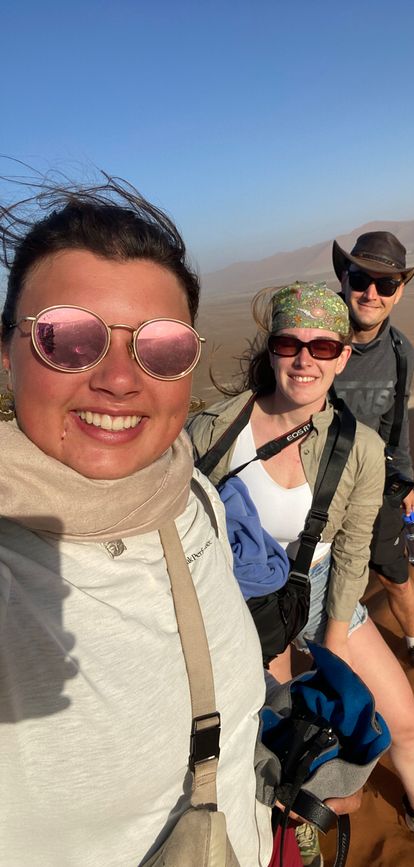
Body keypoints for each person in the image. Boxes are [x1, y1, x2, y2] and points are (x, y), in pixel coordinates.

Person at [0, 176, 273, 865]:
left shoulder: (193, 501)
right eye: (66, 339)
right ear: (6, 356)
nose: (119, 378)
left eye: (162, 345)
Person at [188, 282, 414, 867]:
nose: (304, 358)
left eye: (323, 347)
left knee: (405, 724)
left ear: (344, 356)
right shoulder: (213, 432)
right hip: (242, 603)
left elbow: (351, 551)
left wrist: (335, 642)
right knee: (282, 739)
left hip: (323, 592)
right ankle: (295, 821)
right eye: (289, 343)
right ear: (270, 350)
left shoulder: (362, 449)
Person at [331, 231, 414, 692]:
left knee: (396, 576)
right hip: (311, 489)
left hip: (372, 485)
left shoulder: (402, 354)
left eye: (386, 285)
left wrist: (405, 479)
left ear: (400, 291)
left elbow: (397, 423)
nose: (372, 293)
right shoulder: (317, 339)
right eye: (362, 279)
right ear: (344, 278)